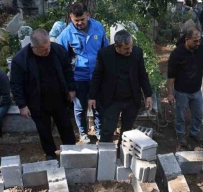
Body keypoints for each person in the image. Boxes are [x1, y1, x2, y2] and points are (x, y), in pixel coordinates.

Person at [11, 29, 77, 161]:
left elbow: (68, 70)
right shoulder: (20, 60)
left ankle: (71, 150)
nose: (47, 51)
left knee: (66, 126)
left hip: (59, 98)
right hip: (37, 102)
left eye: (48, 47)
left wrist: (71, 89)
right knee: (44, 130)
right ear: (33, 47)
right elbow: (16, 84)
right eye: (43, 49)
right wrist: (22, 105)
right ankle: (50, 153)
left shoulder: (57, 50)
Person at [57, 2, 109, 144]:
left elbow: (106, 50)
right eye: (76, 20)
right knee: (79, 108)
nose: (79, 23)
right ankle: (83, 133)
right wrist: (68, 84)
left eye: (82, 20)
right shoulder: (66, 34)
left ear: (88, 15)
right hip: (78, 77)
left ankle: (99, 131)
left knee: (98, 105)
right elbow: (61, 58)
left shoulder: (98, 27)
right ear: (71, 17)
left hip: (97, 75)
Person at [88, 30, 153, 144]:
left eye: (131, 47)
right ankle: (106, 156)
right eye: (126, 49)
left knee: (127, 132)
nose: (130, 50)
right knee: (107, 131)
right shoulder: (104, 54)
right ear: (117, 47)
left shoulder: (137, 53)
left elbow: (143, 74)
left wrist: (148, 94)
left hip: (131, 99)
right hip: (112, 100)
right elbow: (97, 75)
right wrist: (92, 96)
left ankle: (122, 155)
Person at [167, 26, 203, 148]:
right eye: (195, 41)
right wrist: (170, 93)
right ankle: (180, 134)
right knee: (180, 115)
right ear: (187, 39)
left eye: (199, 40)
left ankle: (194, 133)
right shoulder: (176, 54)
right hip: (181, 91)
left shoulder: (201, 49)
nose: (198, 43)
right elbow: (171, 77)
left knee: (198, 114)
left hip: (196, 90)